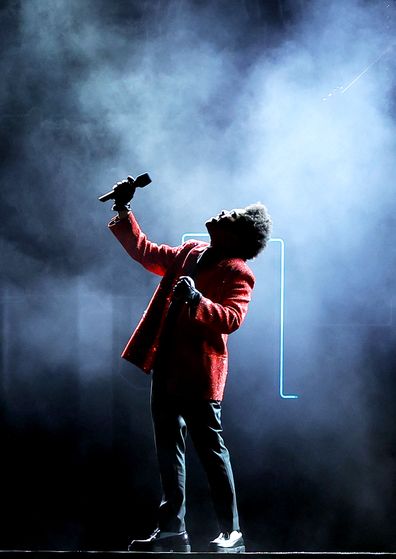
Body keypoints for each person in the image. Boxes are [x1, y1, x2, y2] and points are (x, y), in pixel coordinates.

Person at [107, 177, 272, 553]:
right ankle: (171, 531)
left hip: (199, 375)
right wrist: (123, 208)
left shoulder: (237, 271)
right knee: (168, 450)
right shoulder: (190, 252)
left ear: (237, 237)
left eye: (229, 216)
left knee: (212, 454)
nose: (221, 213)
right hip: (166, 368)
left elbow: (232, 318)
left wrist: (197, 300)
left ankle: (232, 532)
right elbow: (145, 252)